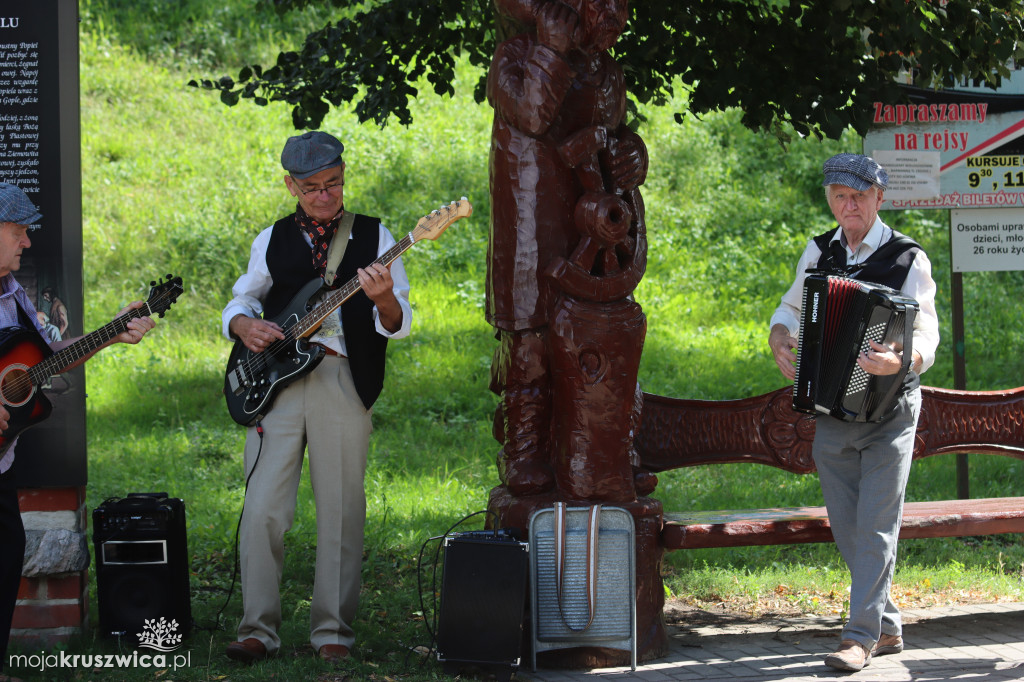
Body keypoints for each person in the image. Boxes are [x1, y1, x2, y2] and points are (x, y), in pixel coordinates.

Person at [221, 131, 411, 665]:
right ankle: (257, 628)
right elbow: (244, 297)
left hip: (343, 379)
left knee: (342, 508)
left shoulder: (378, 236)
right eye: (311, 188)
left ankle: (333, 631)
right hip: (275, 383)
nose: (325, 195)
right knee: (261, 507)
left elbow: (397, 324)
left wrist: (385, 297)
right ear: (290, 186)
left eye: (334, 184)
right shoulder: (271, 238)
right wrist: (241, 325)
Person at [768, 154, 940, 672]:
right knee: (848, 528)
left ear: (879, 198)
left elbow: (928, 331)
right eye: (839, 196)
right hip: (832, 413)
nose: (849, 205)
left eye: (859, 196)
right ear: (829, 199)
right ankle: (886, 627)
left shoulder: (909, 258)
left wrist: (903, 359)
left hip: (890, 412)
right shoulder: (819, 252)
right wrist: (779, 332)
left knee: (877, 528)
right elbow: (791, 307)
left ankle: (858, 636)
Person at [0, 182, 155, 678]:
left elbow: (48, 357)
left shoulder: (12, 294)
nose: (27, 243)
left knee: (7, 559)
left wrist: (113, 330)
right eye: (19, 231)